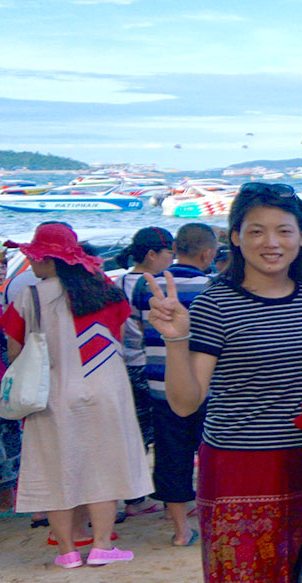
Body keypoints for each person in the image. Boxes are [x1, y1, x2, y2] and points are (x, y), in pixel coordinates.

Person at [148, 183, 302, 583]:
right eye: (256, 231)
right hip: (237, 470)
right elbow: (185, 403)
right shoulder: (216, 303)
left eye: (284, 231)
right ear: (234, 237)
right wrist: (176, 340)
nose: (271, 243)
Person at [1, 222, 151, 568]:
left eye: (34, 256)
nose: (30, 262)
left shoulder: (29, 296)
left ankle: (67, 552)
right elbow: (123, 335)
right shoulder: (107, 290)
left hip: (51, 392)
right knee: (105, 466)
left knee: (55, 468)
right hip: (107, 389)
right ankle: (102, 546)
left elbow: (14, 352)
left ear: (50, 259)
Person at [127, 222, 217, 547]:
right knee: (210, 455)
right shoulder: (214, 287)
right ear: (207, 253)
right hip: (206, 386)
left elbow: (140, 328)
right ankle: (210, 519)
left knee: (170, 455)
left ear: (176, 248)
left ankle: (180, 529)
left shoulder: (145, 287)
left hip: (160, 384)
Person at [116, 226, 174, 453]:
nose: (172, 259)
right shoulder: (159, 285)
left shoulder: (119, 282)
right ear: (152, 254)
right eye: (169, 253)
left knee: (136, 430)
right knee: (163, 429)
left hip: (129, 364)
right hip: (156, 365)